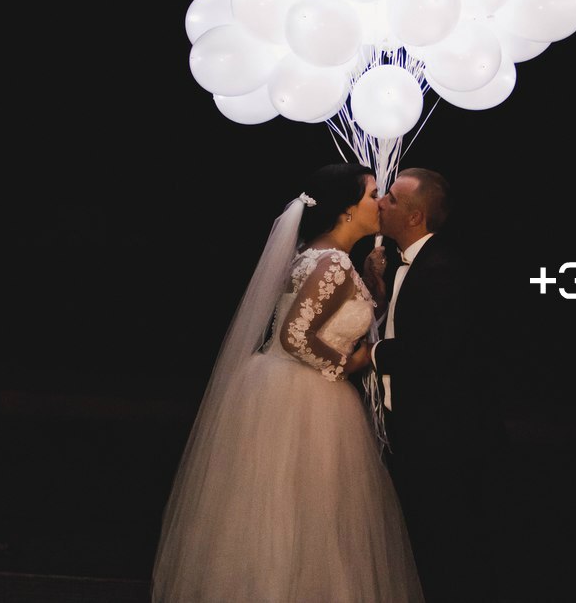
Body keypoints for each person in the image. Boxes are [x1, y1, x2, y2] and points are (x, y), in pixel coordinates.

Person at [152, 163, 424, 602]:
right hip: (306, 395)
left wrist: (371, 285)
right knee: (304, 510)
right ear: (347, 209)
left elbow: (330, 316)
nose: (379, 203)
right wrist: (349, 363)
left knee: (281, 509)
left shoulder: (318, 253)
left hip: (281, 388)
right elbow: (295, 336)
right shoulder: (332, 261)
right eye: (373, 195)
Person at [365, 167, 504, 602]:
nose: (381, 203)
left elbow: (433, 350)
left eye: (391, 198)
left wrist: (369, 355)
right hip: (415, 427)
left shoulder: (442, 269)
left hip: (441, 435)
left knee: (446, 542)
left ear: (414, 217)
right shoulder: (414, 263)